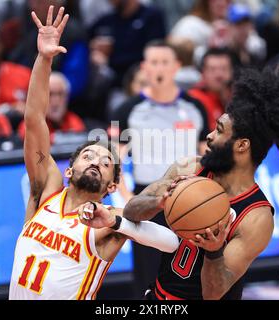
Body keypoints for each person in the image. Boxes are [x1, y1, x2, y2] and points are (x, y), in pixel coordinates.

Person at [9, 6, 179, 300]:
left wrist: (116, 223)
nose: (96, 162)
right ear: (69, 170)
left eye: (106, 163)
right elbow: (35, 118)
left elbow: (170, 243)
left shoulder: (109, 218)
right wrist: (44, 58)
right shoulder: (44, 194)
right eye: (88, 156)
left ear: (112, 186)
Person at [122, 67, 279, 299]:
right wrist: (159, 201)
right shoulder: (189, 167)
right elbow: (130, 211)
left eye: (219, 130)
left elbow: (214, 293)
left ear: (241, 145)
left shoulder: (256, 217)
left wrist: (214, 252)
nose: (209, 136)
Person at [110, 39, 210, 297]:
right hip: (148, 198)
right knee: (148, 275)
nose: (159, 69)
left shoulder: (195, 107)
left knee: (192, 272)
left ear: (177, 66)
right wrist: (128, 199)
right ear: (145, 67)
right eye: (153, 63)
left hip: (190, 197)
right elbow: (114, 160)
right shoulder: (128, 109)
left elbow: (207, 156)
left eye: (165, 62)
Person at [17, 71, 86, 145]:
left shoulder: (74, 121)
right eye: (50, 94)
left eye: (60, 94)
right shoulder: (30, 125)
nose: (55, 101)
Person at [189, 47, 234, 130]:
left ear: (231, 71)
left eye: (224, 69)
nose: (219, 75)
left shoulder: (237, 99)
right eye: (212, 69)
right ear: (203, 73)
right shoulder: (194, 100)